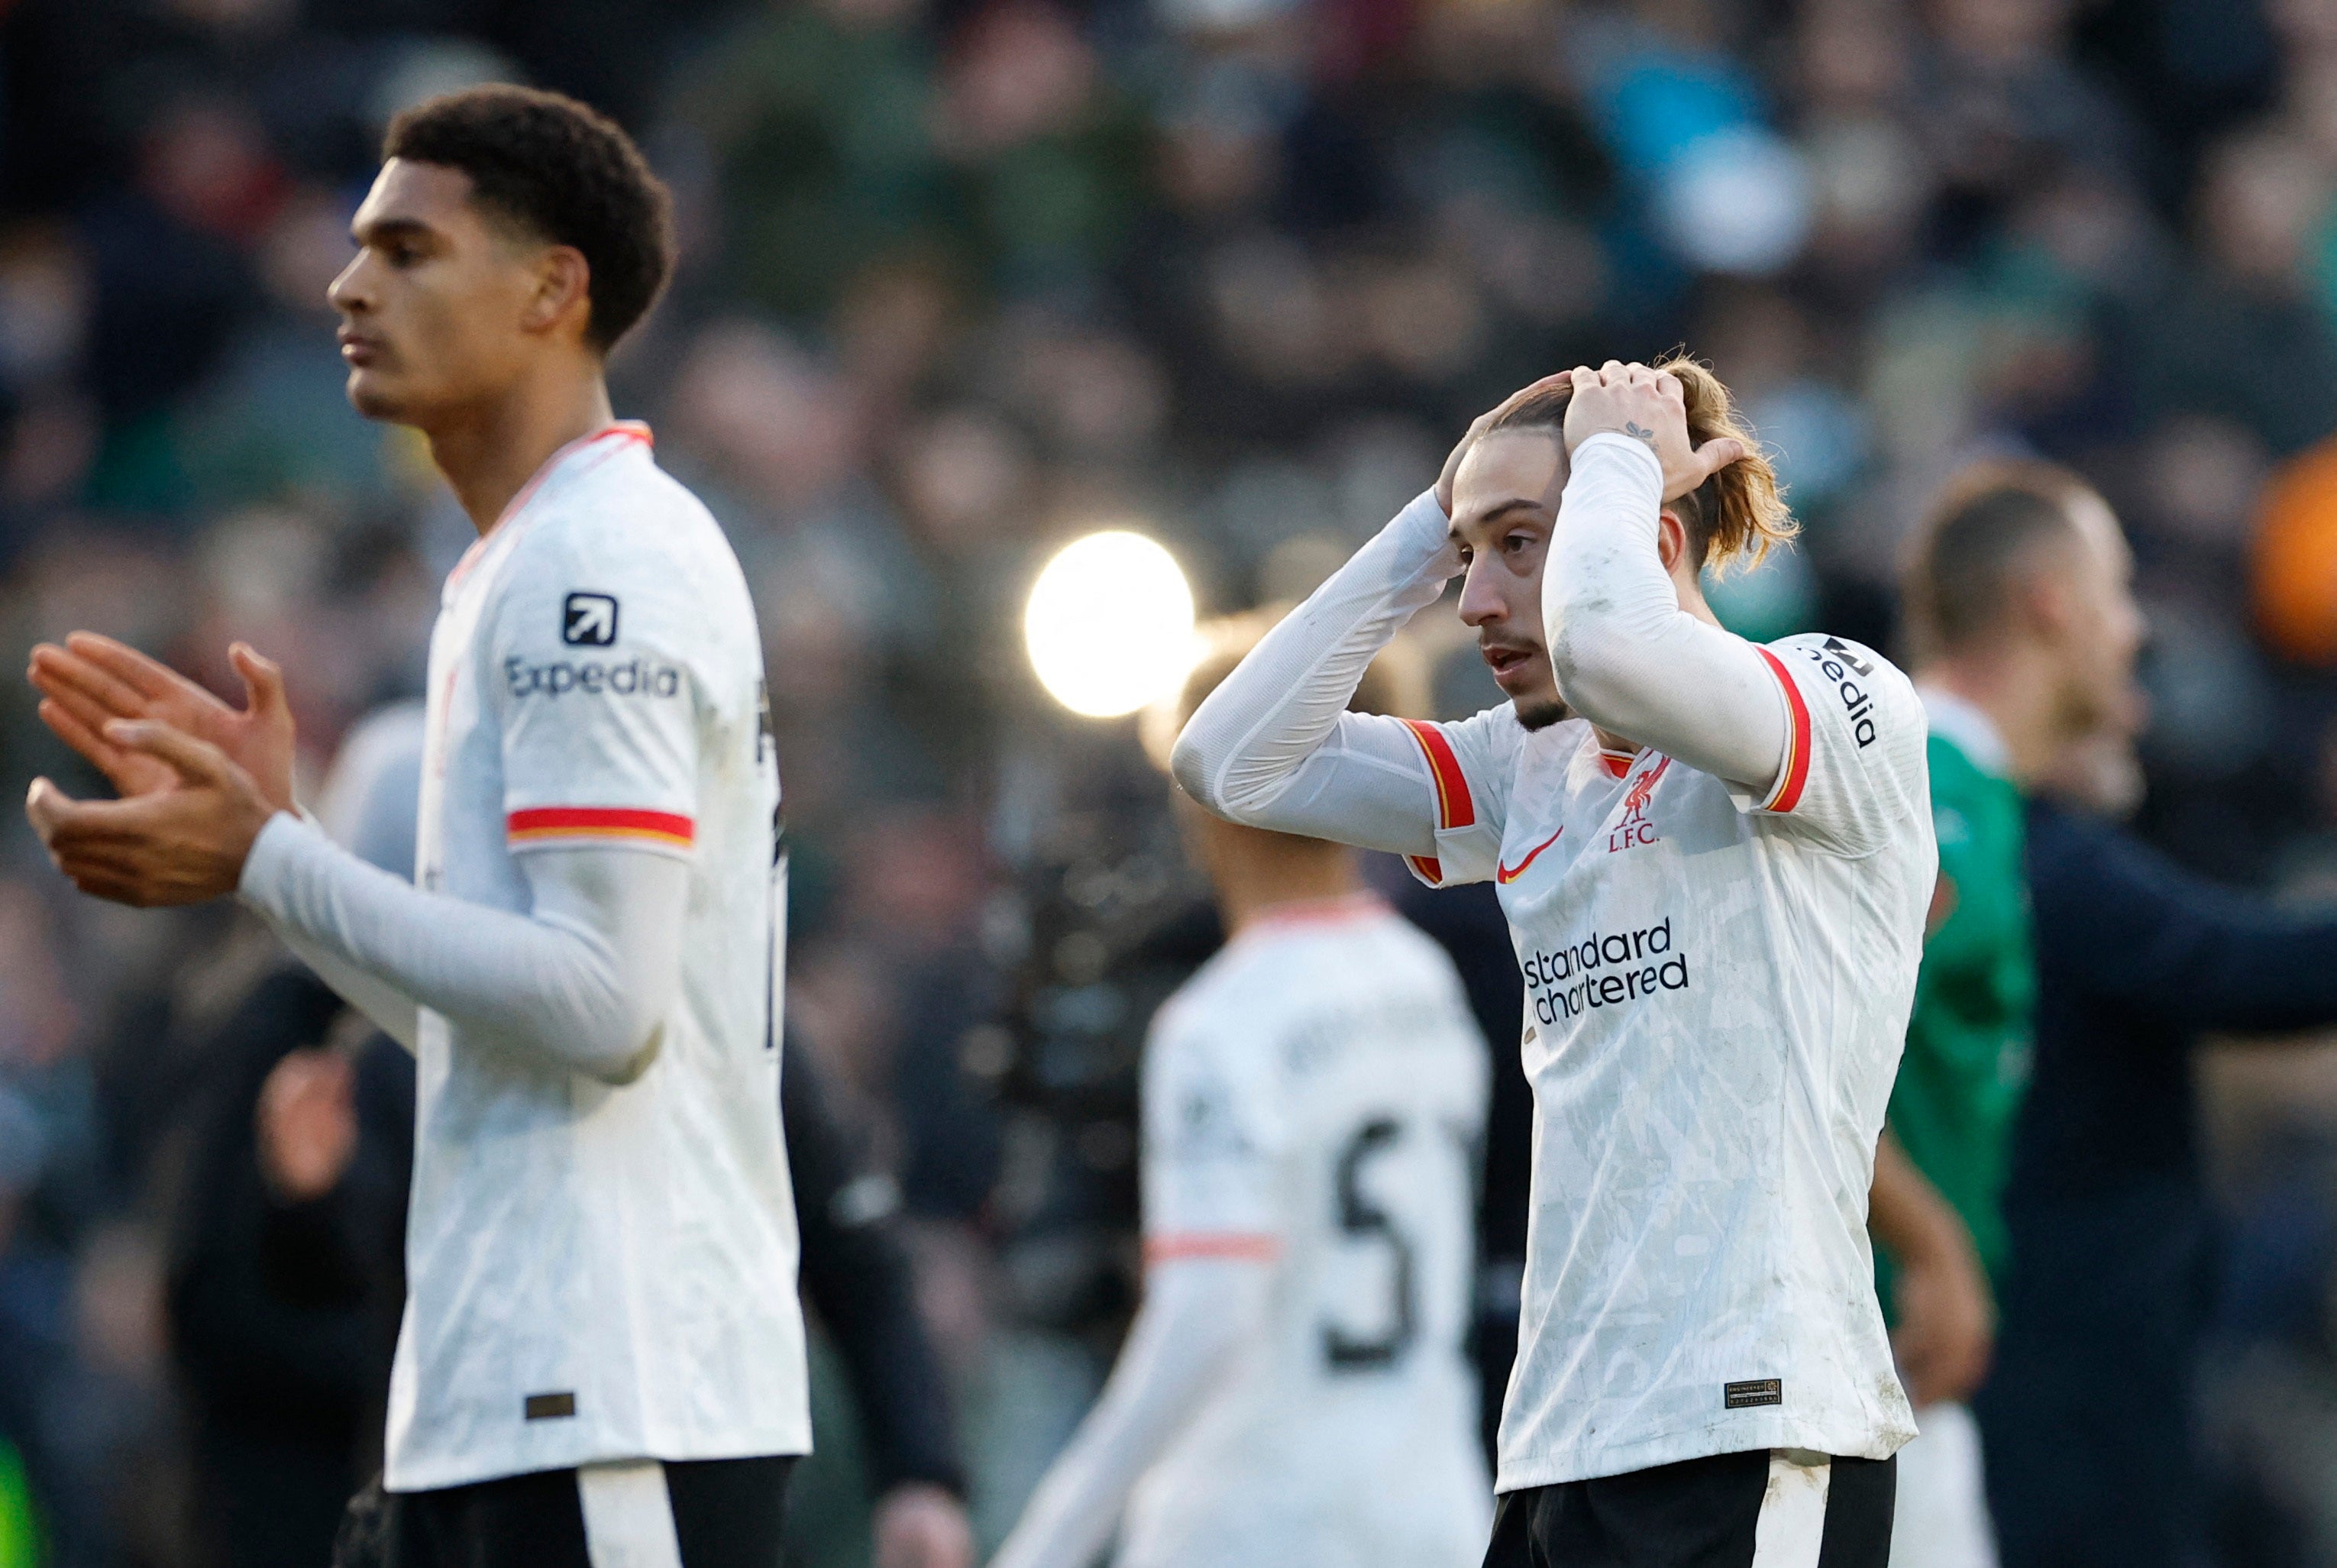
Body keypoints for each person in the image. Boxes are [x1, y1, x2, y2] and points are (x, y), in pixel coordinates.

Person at [24, 86, 807, 1568]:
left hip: (614, 1405)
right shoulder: (524, 560)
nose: (346, 285)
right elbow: (508, 1017)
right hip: (528, 1398)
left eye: (406, 250)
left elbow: (603, 1005)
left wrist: (270, 855)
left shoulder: (594, 565)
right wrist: (277, 858)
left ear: (552, 289)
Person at [1174, 358, 1936, 1566]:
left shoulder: (1837, 698)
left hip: (1752, 1426)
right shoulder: (1530, 769)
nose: (1475, 600)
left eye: (1519, 545)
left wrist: (1620, 460)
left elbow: (1615, 651)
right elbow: (1230, 761)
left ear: (1651, 538)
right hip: (1559, 1445)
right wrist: (1430, 525)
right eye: (1471, 555)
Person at [994, 617, 1492, 1568]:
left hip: (1258, 1513)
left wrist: (1052, 1537)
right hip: (1430, 1504)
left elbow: (1209, 1307)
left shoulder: (1221, 1020)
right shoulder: (1427, 984)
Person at [1864, 462, 2148, 1568]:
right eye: (2117, 593)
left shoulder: (1975, 794)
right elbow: (1775, 1048)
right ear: (2051, 603)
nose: (2132, 630)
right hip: (1858, 1378)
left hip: (1898, 1384)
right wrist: (1936, 1249)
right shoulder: (1927, 796)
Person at [1976, 719, 2337, 1568]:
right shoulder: (2044, 855)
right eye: (2119, 668)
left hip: (2049, 1325)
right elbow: (2240, 969)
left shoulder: (1993, 841)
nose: (2135, 710)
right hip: (2067, 1348)